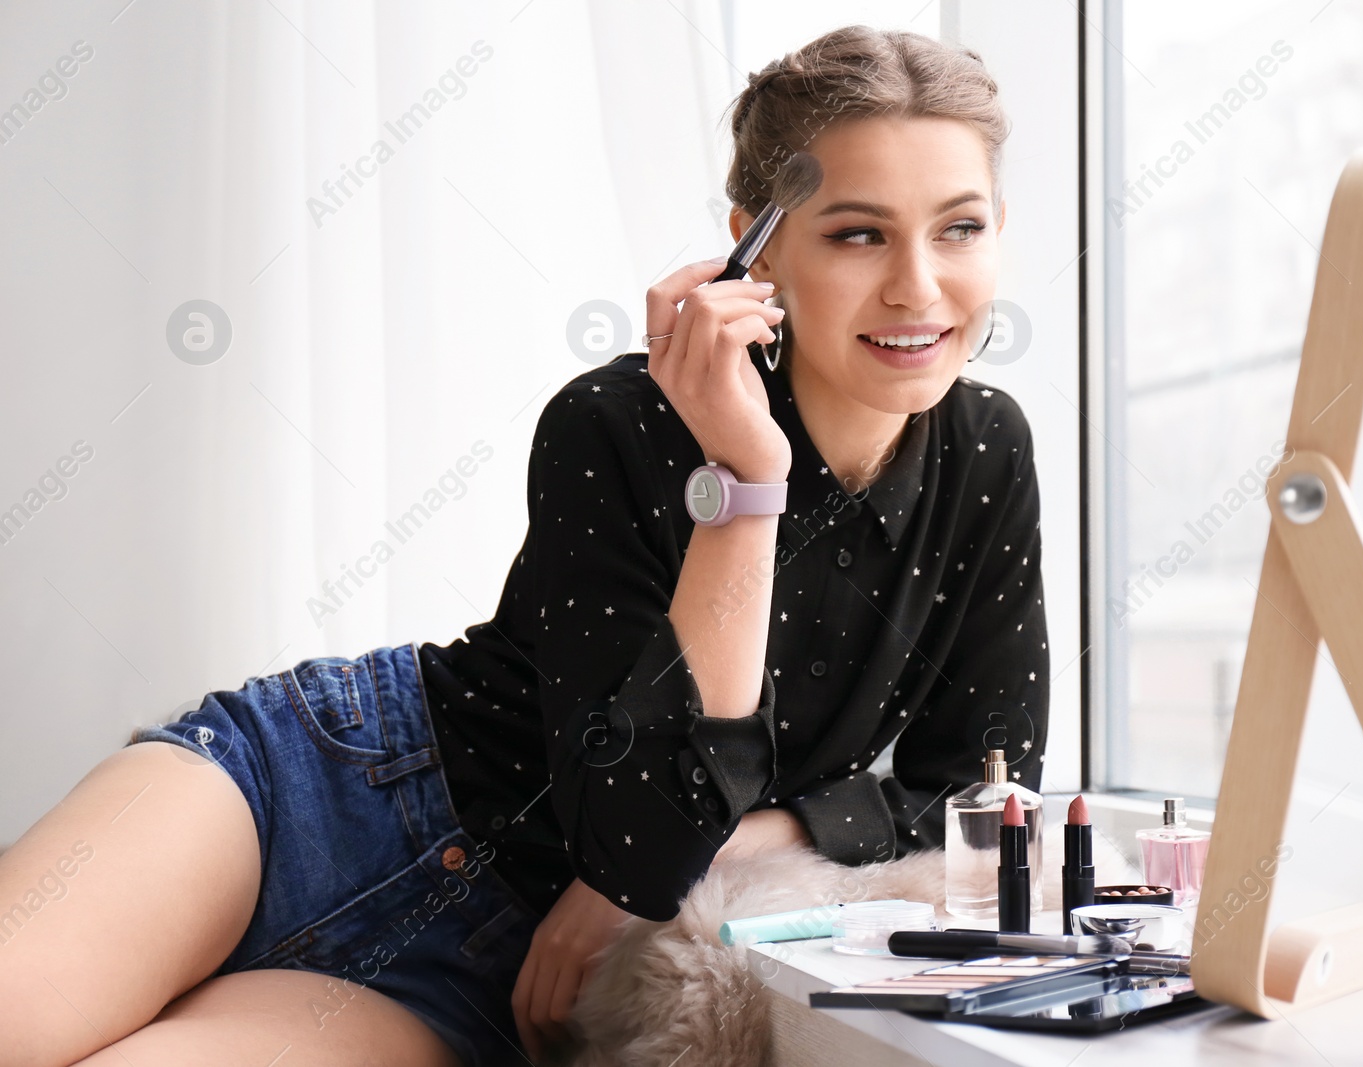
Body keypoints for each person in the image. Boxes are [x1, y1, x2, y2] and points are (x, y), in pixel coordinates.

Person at [0, 23, 1047, 1067]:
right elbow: (643, 837)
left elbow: (982, 790)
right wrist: (746, 481)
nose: (917, 286)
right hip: (332, 781)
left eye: (957, 229)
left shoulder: (988, 452)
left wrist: (740, 836)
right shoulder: (617, 421)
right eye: (858, 233)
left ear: (998, 228)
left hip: (493, 956)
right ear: (755, 245)